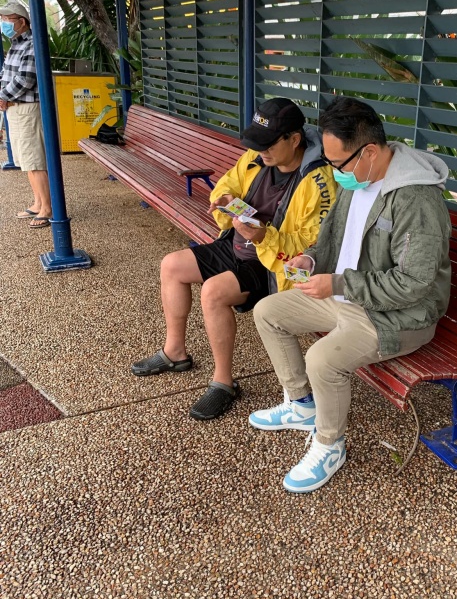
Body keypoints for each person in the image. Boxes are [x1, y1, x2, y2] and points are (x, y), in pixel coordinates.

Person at [249, 96, 452, 493]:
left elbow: (413, 284)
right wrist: (311, 259)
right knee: (268, 311)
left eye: (338, 163)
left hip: (399, 314)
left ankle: (330, 445)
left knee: (322, 359)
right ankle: (300, 405)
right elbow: (331, 238)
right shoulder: (358, 178)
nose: (334, 172)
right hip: (347, 296)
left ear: (369, 152)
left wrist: (338, 284)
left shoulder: (415, 199)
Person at [132, 97, 337, 421]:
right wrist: (225, 199)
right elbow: (227, 184)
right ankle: (175, 352)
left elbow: (311, 248)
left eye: (268, 143)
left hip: (273, 266)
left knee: (213, 292)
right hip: (237, 243)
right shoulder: (256, 158)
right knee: (171, 265)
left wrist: (263, 236)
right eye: (257, 142)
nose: (261, 150)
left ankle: (223, 382)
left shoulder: (318, 181)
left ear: (294, 139)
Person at [0, 2, 52, 228]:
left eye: (8, 19)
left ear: (22, 22)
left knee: (35, 159)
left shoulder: (32, 43)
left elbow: (26, 79)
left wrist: (2, 96)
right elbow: (6, 74)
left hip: (27, 107)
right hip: (15, 107)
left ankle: (47, 207)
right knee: (26, 159)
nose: (4, 23)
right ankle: (38, 202)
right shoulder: (15, 43)